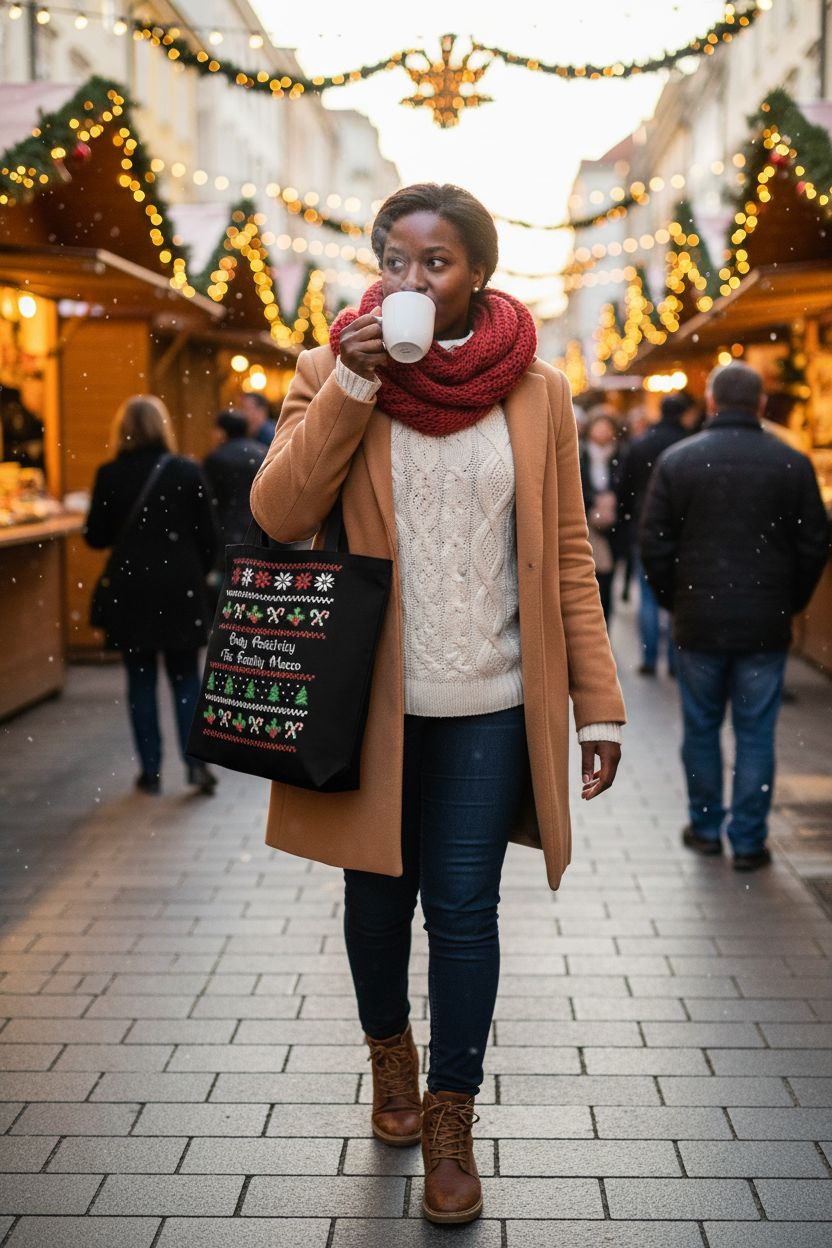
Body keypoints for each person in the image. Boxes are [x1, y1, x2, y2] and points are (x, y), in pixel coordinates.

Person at [250, 182, 625, 1225]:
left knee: (464, 910)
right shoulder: (331, 367)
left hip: (494, 701)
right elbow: (279, 511)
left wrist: (597, 703)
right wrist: (352, 391)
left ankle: (453, 1116)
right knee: (377, 900)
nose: (411, 281)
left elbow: (564, 559)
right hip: (367, 705)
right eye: (396, 261)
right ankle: (391, 1059)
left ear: (478, 274)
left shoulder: (539, 392)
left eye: (436, 263)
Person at [640, 362, 828, 871]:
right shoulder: (791, 463)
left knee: (700, 728)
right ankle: (748, 840)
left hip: (699, 618)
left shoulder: (679, 461)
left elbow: (654, 542)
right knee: (755, 732)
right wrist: (790, 600)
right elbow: (815, 543)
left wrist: (672, 597)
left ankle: (705, 828)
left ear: (711, 401)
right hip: (764, 622)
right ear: (762, 405)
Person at [84, 395, 218, 797]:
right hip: (180, 589)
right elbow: (210, 537)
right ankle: (196, 765)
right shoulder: (185, 471)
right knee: (185, 679)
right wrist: (194, 568)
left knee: (140, 679)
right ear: (163, 427)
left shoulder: (109, 474)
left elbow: (96, 537)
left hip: (132, 591)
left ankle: (150, 771)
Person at [617, 392, 698, 674]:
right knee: (678, 596)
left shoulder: (641, 444)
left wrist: (627, 520)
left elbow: (624, 488)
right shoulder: (689, 445)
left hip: (645, 525)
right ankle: (675, 661)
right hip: (683, 530)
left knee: (649, 595)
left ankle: (649, 658)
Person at [203, 410, 266, 587]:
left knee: (229, 587)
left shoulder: (216, 458)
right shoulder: (263, 452)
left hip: (227, 531)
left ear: (222, 431)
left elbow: (210, 499)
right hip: (259, 530)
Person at [579, 409, 623, 622]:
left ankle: (606, 628)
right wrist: (593, 500)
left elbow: (626, 488)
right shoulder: (580, 455)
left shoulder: (619, 455)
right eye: (600, 426)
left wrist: (613, 501)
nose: (604, 431)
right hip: (585, 525)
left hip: (613, 529)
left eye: (608, 427)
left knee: (606, 583)